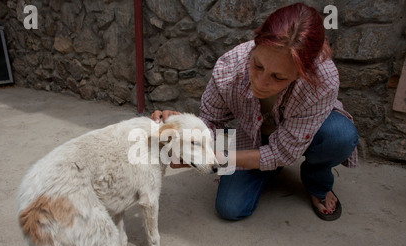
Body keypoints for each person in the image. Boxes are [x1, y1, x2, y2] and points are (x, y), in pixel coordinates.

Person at [151, 2, 359, 222]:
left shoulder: (322, 80)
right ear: (256, 45)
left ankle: (317, 180)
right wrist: (182, 128)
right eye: (257, 65)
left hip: (308, 134)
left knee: (339, 136)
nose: (259, 83)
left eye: (278, 77)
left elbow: (282, 152)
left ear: (301, 74)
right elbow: (210, 121)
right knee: (230, 208)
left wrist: (221, 159)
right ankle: (267, 168)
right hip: (253, 136)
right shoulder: (231, 65)